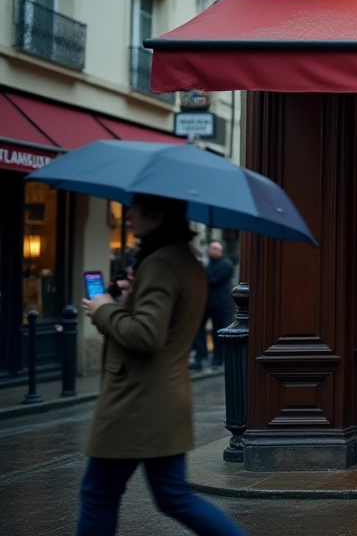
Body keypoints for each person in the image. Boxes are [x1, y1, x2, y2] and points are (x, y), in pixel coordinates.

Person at [78, 194, 247, 536]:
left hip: (136, 402)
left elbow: (146, 336)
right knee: (173, 497)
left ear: (155, 213)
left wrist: (104, 308)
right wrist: (130, 297)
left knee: (99, 495)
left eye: (135, 209)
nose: (129, 216)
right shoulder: (184, 260)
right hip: (161, 399)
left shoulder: (160, 263)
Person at [191, 241, 235, 371]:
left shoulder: (226, 265)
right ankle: (200, 356)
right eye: (211, 248)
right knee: (198, 330)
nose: (213, 251)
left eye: (216, 249)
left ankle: (217, 360)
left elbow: (211, 280)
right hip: (206, 304)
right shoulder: (208, 265)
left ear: (220, 251)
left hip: (220, 305)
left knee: (218, 333)